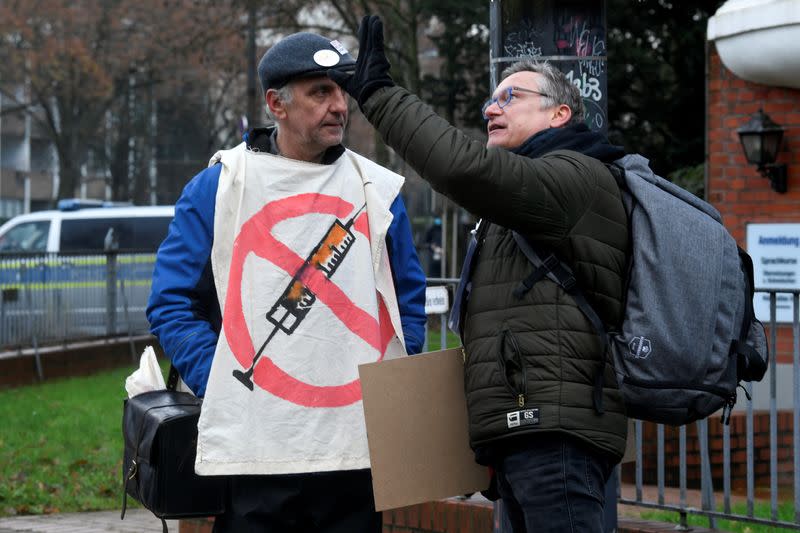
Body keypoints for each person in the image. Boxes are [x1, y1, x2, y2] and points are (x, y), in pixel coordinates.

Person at [329, 16, 629, 533]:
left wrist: (379, 94)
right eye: (491, 99)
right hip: (522, 437)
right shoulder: (521, 200)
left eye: (511, 96)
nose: (492, 107)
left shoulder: (574, 177)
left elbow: (462, 168)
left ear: (559, 112)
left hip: (556, 440)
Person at [147, 31, 427, 533]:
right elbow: (170, 303)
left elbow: (406, 300)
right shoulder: (219, 186)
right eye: (320, 92)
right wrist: (224, 379)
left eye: (342, 90)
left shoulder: (378, 191)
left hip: (354, 453)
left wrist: (391, 389)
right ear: (277, 103)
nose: (340, 105)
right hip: (257, 455)